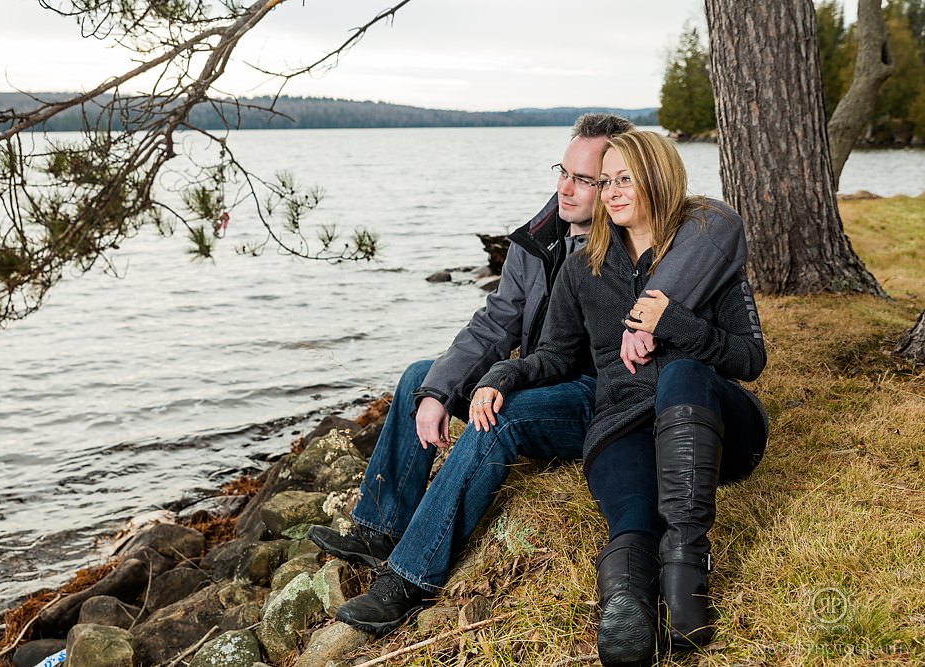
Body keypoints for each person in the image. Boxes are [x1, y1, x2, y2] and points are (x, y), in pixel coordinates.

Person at [308, 115, 749, 637]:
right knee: (419, 378)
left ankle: (409, 579)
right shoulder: (543, 239)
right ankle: (381, 526)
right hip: (543, 371)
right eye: (568, 173)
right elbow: (497, 322)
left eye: (590, 179)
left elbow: (718, 228)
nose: (570, 187)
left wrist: (654, 320)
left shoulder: (676, 241)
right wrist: (448, 388)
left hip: (596, 392)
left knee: (504, 418)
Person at [470, 130, 768, 665]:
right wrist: (503, 373)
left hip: (718, 426)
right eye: (605, 181)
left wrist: (672, 322)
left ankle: (686, 574)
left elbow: (750, 359)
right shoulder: (584, 268)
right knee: (631, 515)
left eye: (624, 179)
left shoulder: (703, 255)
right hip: (624, 422)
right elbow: (556, 356)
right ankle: (626, 612)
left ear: (656, 176)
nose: (610, 192)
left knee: (681, 372)